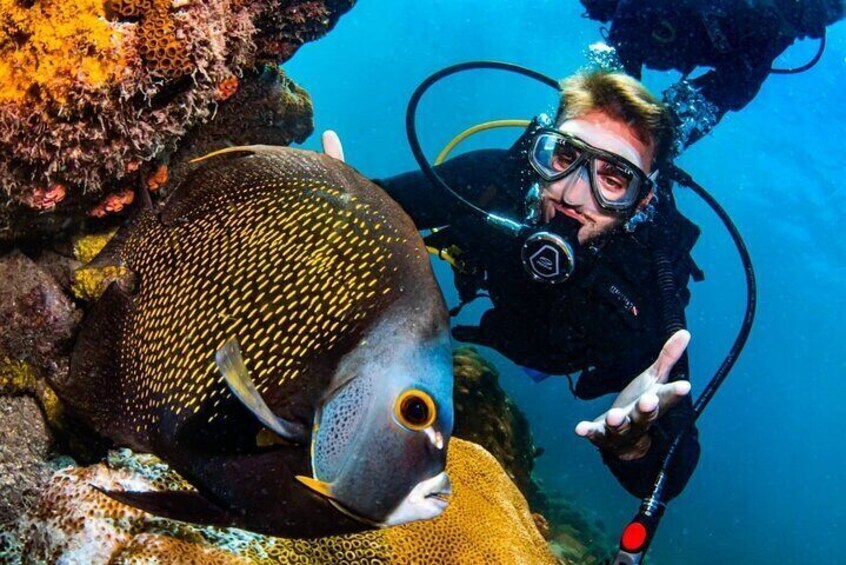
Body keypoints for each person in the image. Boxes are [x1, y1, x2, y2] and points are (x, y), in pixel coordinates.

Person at [322, 70, 701, 501]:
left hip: (565, 352)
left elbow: (671, 473)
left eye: (613, 179)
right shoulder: (493, 180)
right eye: (564, 156)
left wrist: (634, 443)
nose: (575, 195)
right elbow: (375, 208)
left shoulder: (647, 282)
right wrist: (343, 213)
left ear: (641, 201)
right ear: (542, 148)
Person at [580, 0, 845, 148]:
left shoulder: (761, 48)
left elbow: (715, 102)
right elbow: (632, 16)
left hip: (663, 37)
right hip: (646, 23)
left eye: (834, 14)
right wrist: (615, 115)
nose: (809, 32)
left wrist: (653, 147)